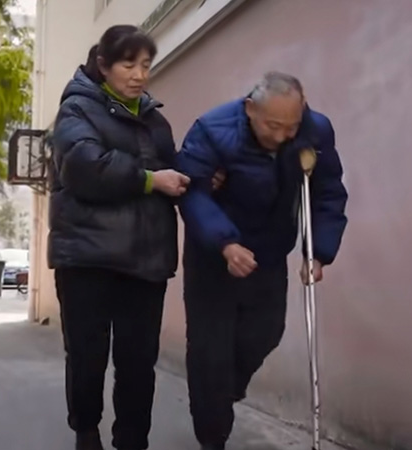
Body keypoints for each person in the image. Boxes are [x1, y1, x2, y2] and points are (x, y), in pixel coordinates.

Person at [175, 71, 349, 450]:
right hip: (214, 257)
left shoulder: (315, 132)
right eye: (273, 126)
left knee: (267, 332)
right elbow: (192, 192)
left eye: (292, 126)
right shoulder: (212, 129)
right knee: (209, 351)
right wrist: (225, 244)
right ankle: (212, 436)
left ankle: (225, 390)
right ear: (250, 108)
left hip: (269, 253)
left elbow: (327, 193)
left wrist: (319, 252)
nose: (283, 136)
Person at [48, 25, 191, 450]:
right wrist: (150, 180)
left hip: (145, 260)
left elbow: (174, 171)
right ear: (104, 65)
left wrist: (202, 176)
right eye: (129, 65)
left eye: (145, 65)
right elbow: (84, 167)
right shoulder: (76, 111)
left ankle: (132, 441)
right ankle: (86, 433)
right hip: (87, 258)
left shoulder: (155, 121)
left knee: (138, 363)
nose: (139, 74)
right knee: (87, 356)